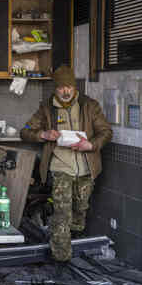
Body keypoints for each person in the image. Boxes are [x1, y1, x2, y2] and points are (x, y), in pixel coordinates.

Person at [20, 65, 112, 263]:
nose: (65, 91)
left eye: (69, 86)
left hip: (86, 169)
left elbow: (106, 132)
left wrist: (91, 144)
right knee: (62, 213)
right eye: (61, 87)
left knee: (80, 210)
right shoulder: (46, 108)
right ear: (56, 88)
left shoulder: (90, 106)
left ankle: (73, 240)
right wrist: (43, 134)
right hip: (60, 168)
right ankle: (61, 258)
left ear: (75, 87)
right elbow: (25, 130)